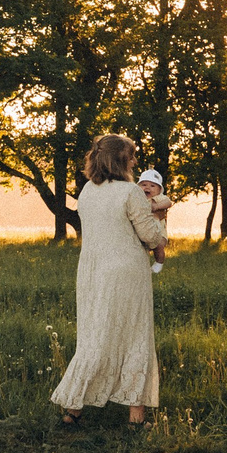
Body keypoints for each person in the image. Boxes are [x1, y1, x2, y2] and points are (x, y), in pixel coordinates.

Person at [52, 133, 171, 427]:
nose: (134, 161)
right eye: (131, 156)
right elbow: (150, 237)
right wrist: (160, 220)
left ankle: (73, 410)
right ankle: (136, 417)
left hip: (93, 272)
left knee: (95, 336)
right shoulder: (130, 192)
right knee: (135, 336)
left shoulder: (87, 192)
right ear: (121, 159)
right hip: (126, 272)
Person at [136, 168, 168, 273]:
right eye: (144, 185)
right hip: (145, 230)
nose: (147, 188)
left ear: (159, 190)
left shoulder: (158, 198)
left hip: (159, 232)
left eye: (152, 186)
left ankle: (159, 262)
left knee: (158, 246)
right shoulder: (138, 199)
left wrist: (157, 206)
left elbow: (168, 202)